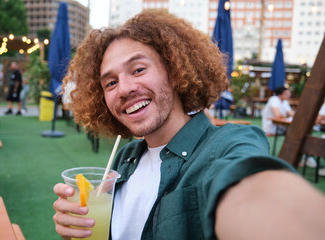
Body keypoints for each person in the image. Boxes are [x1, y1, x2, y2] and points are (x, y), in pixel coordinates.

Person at [53, 10, 325, 240]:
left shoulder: (229, 144)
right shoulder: (124, 160)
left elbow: (249, 189)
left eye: (138, 69)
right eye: (110, 83)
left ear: (174, 72)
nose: (123, 89)